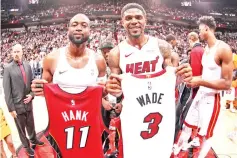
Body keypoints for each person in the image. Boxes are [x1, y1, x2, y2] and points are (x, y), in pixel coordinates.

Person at [105, 3, 192, 157]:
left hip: (159, 108)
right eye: (129, 18)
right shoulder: (116, 53)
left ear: (145, 20)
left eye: (138, 17)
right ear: (122, 22)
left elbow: (172, 78)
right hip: (133, 110)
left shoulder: (162, 46)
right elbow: (117, 88)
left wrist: (182, 75)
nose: (134, 21)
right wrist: (112, 88)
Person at [30, 14, 108, 156]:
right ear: (68, 29)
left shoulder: (98, 61)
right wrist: (37, 89)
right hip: (61, 125)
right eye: (74, 24)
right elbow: (44, 89)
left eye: (84, 25)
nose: (79, 28)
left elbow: (103, 93)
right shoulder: (52, 59)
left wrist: (108, 93)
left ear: (90, 30)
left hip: (89, 124)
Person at [174, 16, 233, 157]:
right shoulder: (206, 48)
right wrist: (192, 79)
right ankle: (177, 150)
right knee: (187, 125)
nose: (198, 33)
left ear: (206, 28)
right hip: (201, 94)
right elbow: (205, 75)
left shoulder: (224, 49)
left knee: (207, 135)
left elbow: (226, 83)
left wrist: (199, 82)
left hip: (212, 99)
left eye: (200, 30)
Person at [3, 44, 44, 157]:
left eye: (18, 51)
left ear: (22, 52)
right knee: (21, 129)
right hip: (17, 106)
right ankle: (26, 146)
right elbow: (7, 91)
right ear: (12, 53)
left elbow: (32, 83)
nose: (16, 54)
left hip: (28, 103)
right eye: (14, 52)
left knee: (31, 125)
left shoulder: (27, 66)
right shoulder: (8, 68)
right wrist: (11, 109)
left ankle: (34, 140)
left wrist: (31, 95)